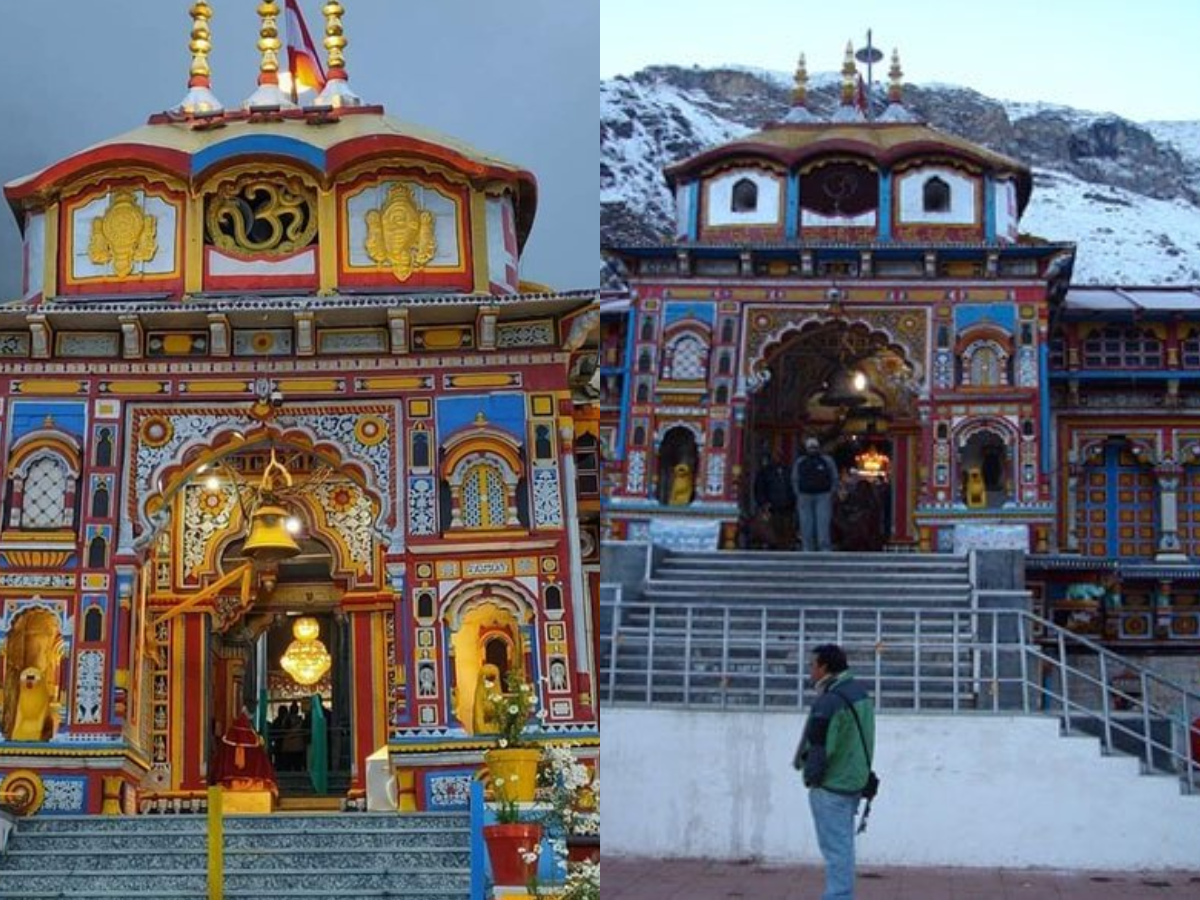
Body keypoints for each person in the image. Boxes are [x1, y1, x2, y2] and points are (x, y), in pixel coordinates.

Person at [793, 644, 876, 900]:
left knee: (836, 852)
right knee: (843, 848)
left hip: (831, 786)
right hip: (853, 782)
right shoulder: (859, 694)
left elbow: (820, 746)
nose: (810, 670)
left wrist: (811, 778)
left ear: (824, 667)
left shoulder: (830, 701)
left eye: (812, 665)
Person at [792, 438, 838, 551]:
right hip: (819, 495)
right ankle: (822, 549)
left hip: (811, 495)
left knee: (809, 524)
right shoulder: (827, 460)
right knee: (818, 524)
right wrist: (831, 492)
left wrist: (798, 493)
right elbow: (835, 477)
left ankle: (809, 549)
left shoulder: (800, 461)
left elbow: (794, 479)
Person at [753, 450, 796, 550]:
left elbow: (793, 487)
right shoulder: (764, 472)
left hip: (787, 506)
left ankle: (786, 546)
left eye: (780, 456)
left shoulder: (788, 470)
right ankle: (775, 546)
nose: (778, 458)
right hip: (772, 506)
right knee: (772, 529)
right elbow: (759, 488)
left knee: (787, 528)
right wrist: (763, 503)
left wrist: (793, 502)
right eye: (776, 456)